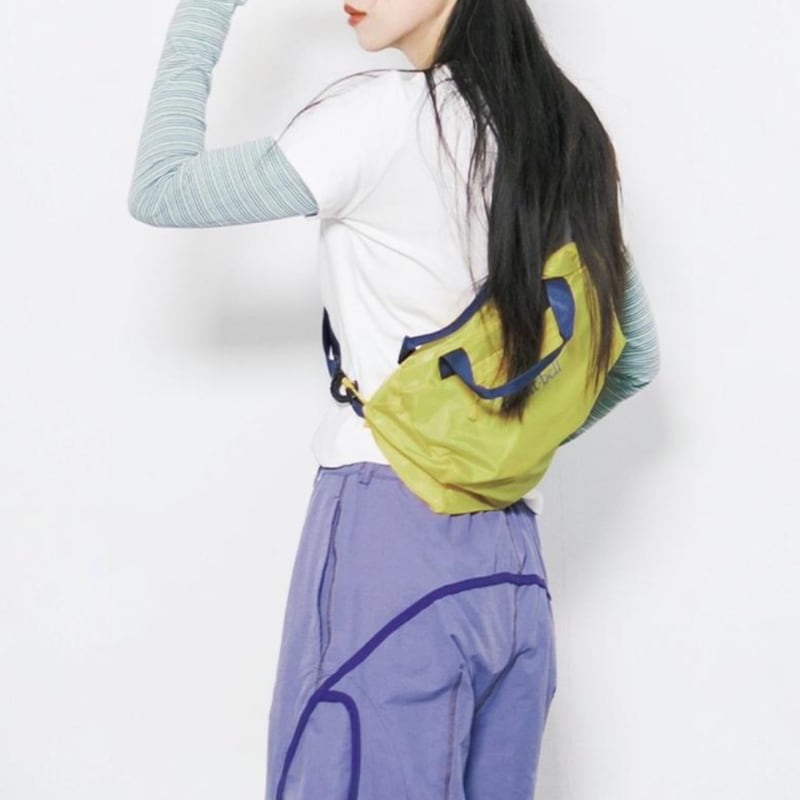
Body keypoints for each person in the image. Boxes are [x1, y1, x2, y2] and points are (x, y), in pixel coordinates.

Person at [128, 1, 660, 797]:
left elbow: (163, 189)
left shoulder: (378, 118)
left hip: (390, 548)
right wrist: (489, 450)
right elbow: (633, 359)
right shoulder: (568, 134)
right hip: (514, 573)